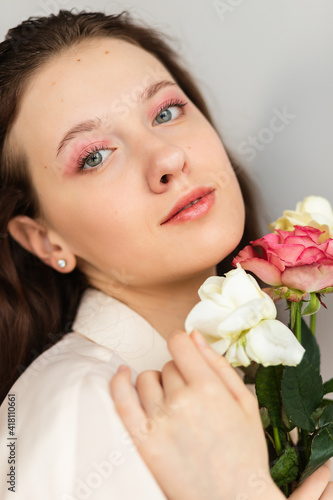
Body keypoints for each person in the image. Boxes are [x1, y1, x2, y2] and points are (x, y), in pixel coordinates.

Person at [0, 9, 331, 500]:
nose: (168, 158)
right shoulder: (82, 406)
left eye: (166, 112)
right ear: (45, 240)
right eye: (94, 156)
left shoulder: (256, 376)